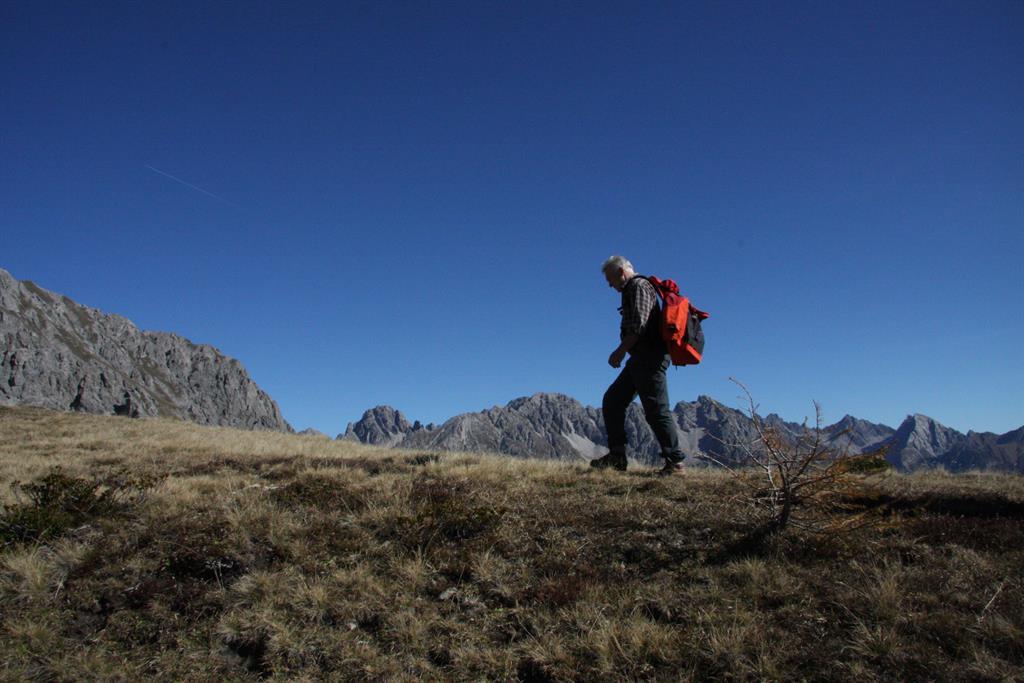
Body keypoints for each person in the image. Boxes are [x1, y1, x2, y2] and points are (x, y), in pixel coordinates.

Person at [592, 255, 685, 475]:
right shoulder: (633, 289)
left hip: (650, 357)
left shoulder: (638, 286)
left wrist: (619, 352)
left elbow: (639, 325)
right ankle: (617, 456)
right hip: (640, 359)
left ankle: (675, 463)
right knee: (613, 400)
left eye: (610, 279)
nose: (610, 285)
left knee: (656, 410)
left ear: (621, 272)